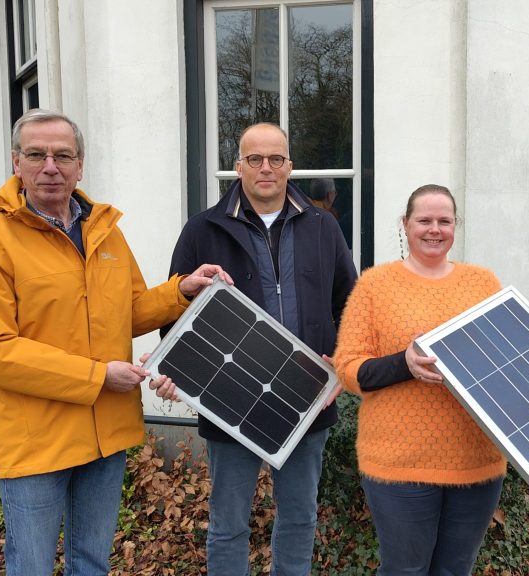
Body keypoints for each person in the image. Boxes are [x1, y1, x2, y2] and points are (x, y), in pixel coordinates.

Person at [0, 108, 229, 575]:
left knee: (91, 563)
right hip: (35, 439)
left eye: (63, 155)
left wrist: (180, 290)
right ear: (16, 162)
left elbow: (128, 312)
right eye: (36, 154)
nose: (50, 167)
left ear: (79, 165)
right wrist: (98, 375)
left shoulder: (106, 232)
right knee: (32, 566)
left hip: (105, 434)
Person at [160, 122, 357, 575]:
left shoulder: (323, 226)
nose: (265, 168)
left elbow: (349, 302)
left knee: (300, 516)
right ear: (238, 168)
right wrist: (181, 375)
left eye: (275, 159)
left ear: (290, 167)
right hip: (230, 400)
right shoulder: (203, 230)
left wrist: (343, 363)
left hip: (307, 396)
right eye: (254, 159)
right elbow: (175, 312)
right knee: (229, 523)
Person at [334, 184, 507, 575]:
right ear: (405, 224)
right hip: (399, 465)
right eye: (424, 220)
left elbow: (507, 358)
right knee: (405, 570)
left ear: (455, 226)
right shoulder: (375, 286)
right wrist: (404, 364)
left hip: (476, 460)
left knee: (455, 569)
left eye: (444, 221)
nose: (434, 229)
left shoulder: (482, 283)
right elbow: (348, 368)